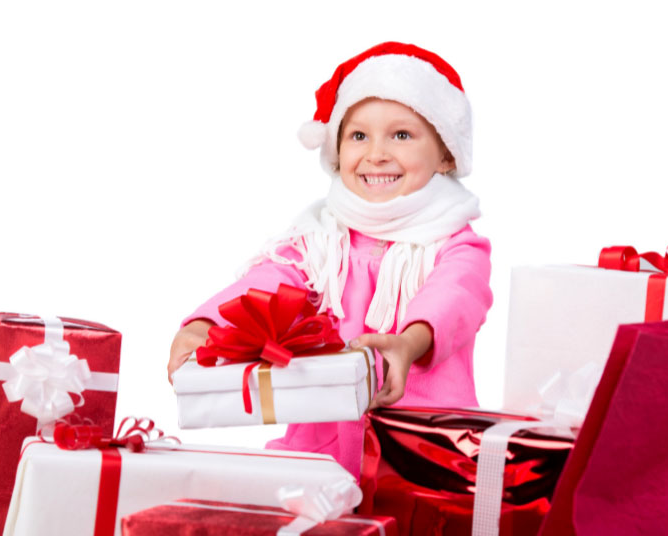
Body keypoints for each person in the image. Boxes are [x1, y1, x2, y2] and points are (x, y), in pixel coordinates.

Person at [167, 42, 492, 479]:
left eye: (401, 135)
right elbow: (271, 281)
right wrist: (209, 324)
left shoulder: (455, 244)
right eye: (359, 136)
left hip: (421, 451)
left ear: (447, 153)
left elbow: (455, 296)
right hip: (324, 447)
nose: (376, 154)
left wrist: (408, 342)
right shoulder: (321, 241)